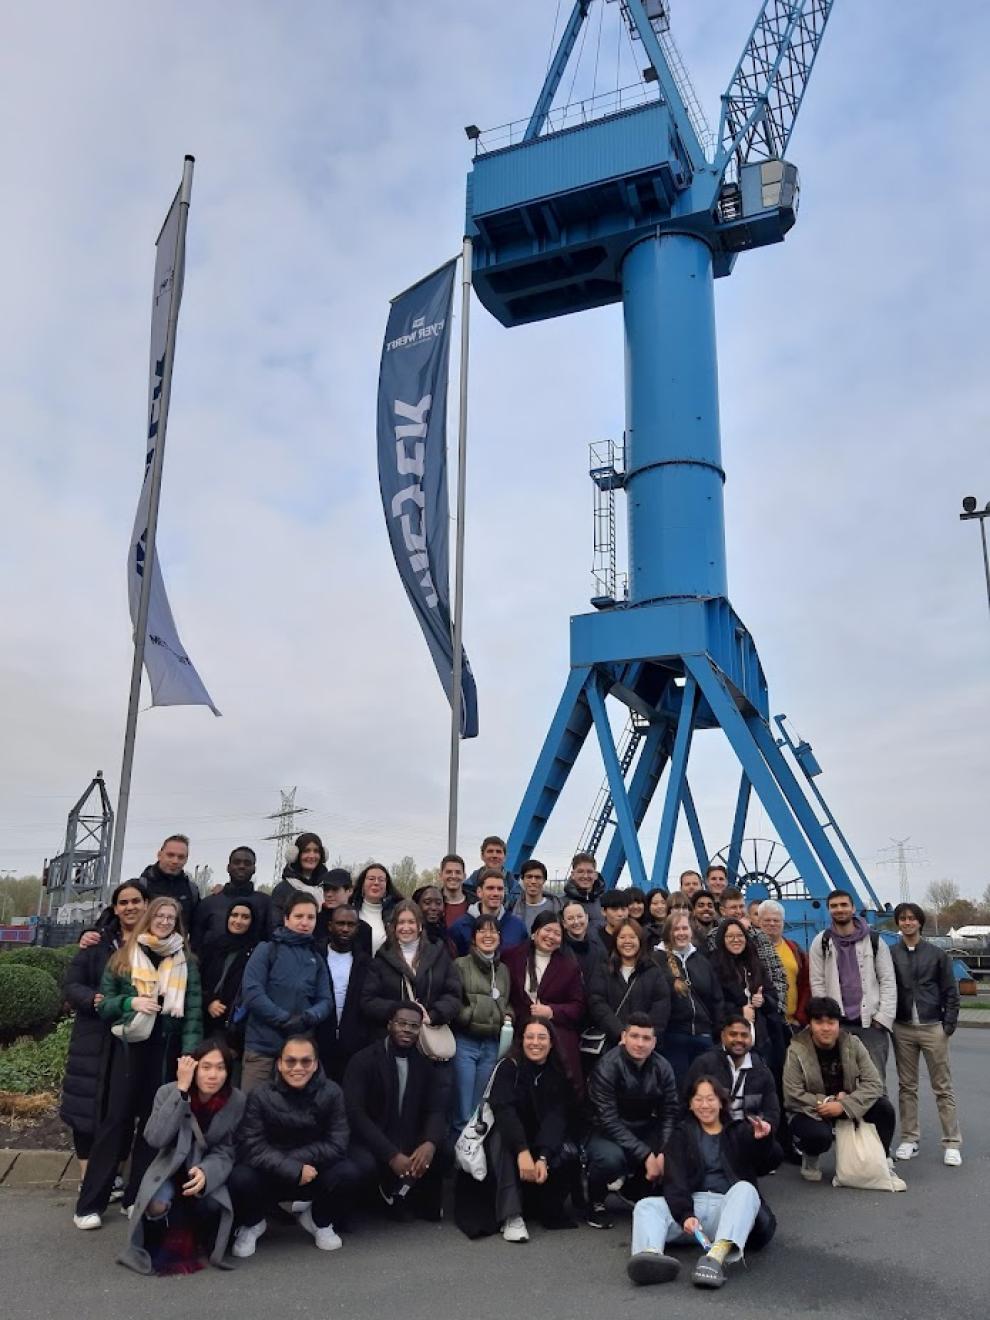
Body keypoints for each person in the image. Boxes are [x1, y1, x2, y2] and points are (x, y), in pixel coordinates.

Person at [74, 896, 203, 1227]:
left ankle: (136, 1197)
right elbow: (105, 1004)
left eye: (170, 917)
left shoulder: (185, 959)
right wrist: (132, 1001)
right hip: (129, 1048)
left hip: (164, 1049)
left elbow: (192, 1013)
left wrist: (188, 1052)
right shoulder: (125, 956)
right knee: (115, 1121)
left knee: (152, 1125)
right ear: (149, 918)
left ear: (177, 923)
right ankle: (90, 1204)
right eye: (158, 915)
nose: (163, 921)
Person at [627, 1076, 780, 1290]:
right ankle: (650, 1257)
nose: (705, 1105)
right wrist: (685, 1214)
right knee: (646, 1206)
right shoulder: (680, 1135)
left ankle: (716, 1257)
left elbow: (767, 1163)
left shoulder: (739, 1131)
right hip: (691, 1213)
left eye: (710, 1099)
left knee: (746, 1189)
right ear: (690, 1104)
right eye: (698, 1099)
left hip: (728, 1211)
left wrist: (764, 1140)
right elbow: (674, 1180)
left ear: (721, 1102)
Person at [118, 1039, 246, 1275]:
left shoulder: (235, 1100)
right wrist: (182, 1092)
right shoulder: (167, 1092)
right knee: (156, 1205)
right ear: (194, 1068)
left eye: (220, 1068)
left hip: (207, 1167)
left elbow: (228, 1148)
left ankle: (207, 1231)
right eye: (206, 1067)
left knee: (211, 1202)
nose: (213, 1075)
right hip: (170, 1167)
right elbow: (155, 1138)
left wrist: (207, 1172)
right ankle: (161, 1228)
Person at [229, 1034, 357, 1255]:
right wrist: (291, 1167)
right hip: (271, 1173)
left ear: (316, 1064)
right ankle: (253, 1223)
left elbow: (337, 1144)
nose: (298, 1067)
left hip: (312, 1171)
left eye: (306, 1061)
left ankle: (319, 1220)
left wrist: (298, 1162)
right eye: (290, 1061)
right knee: (240, 1176)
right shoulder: (260, 1095)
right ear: (279, 1063)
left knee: (348, 1171)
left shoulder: (333, 1092)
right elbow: (251, 1145)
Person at [460, 1018, 581, 1242]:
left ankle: (549, 1204)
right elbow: (504, 1111)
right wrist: (522, 1151)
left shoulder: (558, 1071)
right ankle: (511, 1216)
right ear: (521, 1040)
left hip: (538, 1140)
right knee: (504, 1141)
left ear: (552, 1042)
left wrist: (543, 1156)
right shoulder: (508, 1066)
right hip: (506, 1137)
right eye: (530, 1037)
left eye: (542, 1037)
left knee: (566, 1148)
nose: (535, 1043)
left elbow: (557, 1118)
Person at [61, 881, 149, 1185]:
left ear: (146, 904)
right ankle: (88, 1180)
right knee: (87, 1109)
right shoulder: (97, 942)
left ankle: (116, 1176)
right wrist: (91, 999)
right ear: (115, 907)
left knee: (123, 1109)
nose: (130, 907)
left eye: (136, 901)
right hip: (94, 1035)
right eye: (123, 902)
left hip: (133, 1038)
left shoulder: (155, 943)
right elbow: (72, 984)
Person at [344, 1004, 450, 1220]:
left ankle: (410, 1196)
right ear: (389, 1024)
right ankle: (373, 1199)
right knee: (363, 1165)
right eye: (401, 1023)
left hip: (408, 1138)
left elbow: (437, 1109)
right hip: (372, 1140)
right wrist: (391, 1154)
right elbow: (355, 1114)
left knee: (444, 1151)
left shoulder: (426, 1065)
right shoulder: (364, 1060)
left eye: (414, 1026)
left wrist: (429, 1143)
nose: (407, 1030)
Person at [783, 995, 896, 1182]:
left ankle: (881, 1157)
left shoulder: (853, 1043)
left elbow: (874, 1083)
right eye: (819, 1022)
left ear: (838, 1024)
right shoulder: (796, 1049)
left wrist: (844, 1105)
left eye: (831, 1022)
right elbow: (792, 1093)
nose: (826, 1028)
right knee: (817, 1135)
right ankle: (811, 1157)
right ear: (810, 1024)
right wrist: (827, 1102)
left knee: (884, 1108)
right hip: (813, 1109)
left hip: (847, 1104)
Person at [585, 1013, 679, 1229]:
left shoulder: (663, 1067)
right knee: (611, 1159)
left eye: (646, 1038)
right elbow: (608, 1119)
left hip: (643, 1126)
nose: (640, 1043)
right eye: (635, 1036)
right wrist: (646, 1155)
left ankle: (633, 1189)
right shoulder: (607, 1066)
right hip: (604, 1131)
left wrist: (663, 1151)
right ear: (623, 1037)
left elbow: (670, 1112)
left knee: (674, 1151)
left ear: (654, 1042)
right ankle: (595, 1201)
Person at [889, 902, 962, 1166]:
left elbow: (950, 991)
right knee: (906, 1086)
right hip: (903, 1027)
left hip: (933, 1026)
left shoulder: (937, 954)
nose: (907, 923)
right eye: (903, 919)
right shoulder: (890, 953)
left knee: (942, 1087)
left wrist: (948, 1026)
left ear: (920, 922)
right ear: (898, 923)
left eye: (912, 918)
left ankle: (952, 1142)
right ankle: (909, 1139)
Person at [239, 893, 331, 1092]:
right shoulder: (266, 950)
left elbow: (325, 1000)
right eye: (299, 916)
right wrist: (283, 1018)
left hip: (300, 1052)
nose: (305, 922)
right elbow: (253, 992)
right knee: (252, 1109)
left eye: (311, 917)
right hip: (262, 1048)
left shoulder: (317, 958)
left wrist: (308, 1017)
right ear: (286, 918)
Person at [808, 890, 896, 1082]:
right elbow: (817, 982)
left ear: (853, 908)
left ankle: (878, 1114)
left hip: (871, 1025)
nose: (839, 910)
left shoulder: (874, 941)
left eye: (843, 905)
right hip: (839, 1026)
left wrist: (882, 1018)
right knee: (840, 1083)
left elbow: (888, 980)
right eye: (834, 906)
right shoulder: (821, 942)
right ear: (829, 909)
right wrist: (826, 1019)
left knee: (875, 1084)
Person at [503, 912, 586, 1089]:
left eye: (557, 934)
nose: (551, 937)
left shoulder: (569, 966)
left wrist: (552, 1011)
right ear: (534, 933)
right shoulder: (511, 957)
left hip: (556, 1033)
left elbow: (578, 1006)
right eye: (547, 930)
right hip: (518, 1031)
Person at [361, 899, 461, 1040]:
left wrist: (433, 1015)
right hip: (391, 1038)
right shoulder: (380, 960)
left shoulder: (439, 955)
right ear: (394, 927)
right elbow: (368, 1000)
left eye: (411, 922)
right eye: (401, 922)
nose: (406, 927)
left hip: (429, 1037)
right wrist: (398, 1010)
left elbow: (453, 995)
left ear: (420, 926)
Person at [453, 915, 513, 1132]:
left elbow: (507, 1001)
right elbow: (454, 1001)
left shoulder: (504, 970)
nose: (488, 936)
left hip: (491, 1044)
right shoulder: (460, 964)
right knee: (461, 1107)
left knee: (479, 1106)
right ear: (473, 937)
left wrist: (507, 1015)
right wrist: (469, 1015)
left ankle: (473, 1156)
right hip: (466, 1042)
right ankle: (457, 1158)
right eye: (482, 931)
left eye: (493, 931)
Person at [657, 911, 724, 1085]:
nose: (681, 933)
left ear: (691, 931)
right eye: (676, 929)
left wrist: (717, 1029)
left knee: (707, 1089)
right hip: (674, 1037)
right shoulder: (656, 960)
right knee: (679, 1090)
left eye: (684, 928)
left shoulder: (701, 961)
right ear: (668, 933)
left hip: (704, 1036)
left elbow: (716, 998)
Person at [586, 918, 670, 1052]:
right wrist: (621, 1034)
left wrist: (641, 1037)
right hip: (612, 1044)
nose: (627, 941)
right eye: (622, 937)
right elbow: (597, 1004)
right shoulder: (603, 970)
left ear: (640, 940)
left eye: (632, 937)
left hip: (645, 1047)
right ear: (615, 941)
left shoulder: (653, 971)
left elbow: (661, 1007)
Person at [684, 1017, 780, 1130]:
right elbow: (686, 1103)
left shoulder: (762, 1071)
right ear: (723, 1037)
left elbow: (772, 1111)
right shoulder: (704, 1064)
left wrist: (765, 1127)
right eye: (733, 1034)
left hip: (749, 1133)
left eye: (744, 1035)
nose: (739, 1039)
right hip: (711, 1131)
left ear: (751, 1039)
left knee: (775, 1148)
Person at [315, 905, 373, 1083]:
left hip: (354, 1046)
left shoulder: (366, 963)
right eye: (340, 923)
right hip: (318, 1042)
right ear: (330, 925)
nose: (345, 929)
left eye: (351, 924)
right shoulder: (315, 956)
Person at [708, 918, 780, 1060]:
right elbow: (713, 1003)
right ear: (722, 939)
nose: (736, 940)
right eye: (730, 936)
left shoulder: (754, 962)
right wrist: (739, 1012)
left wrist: (763, 1000)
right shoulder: (713, 965)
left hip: (759, 1036)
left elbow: (773, 996)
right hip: (728, 1035)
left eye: (740, 935)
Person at [709, 888, 789, 1010]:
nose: (738, 911)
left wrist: (777, 1008)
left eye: (741, 907)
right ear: (722, 911)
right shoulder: (713, 937)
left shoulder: (760, 936)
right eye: (733, 907)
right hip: (732, 1011)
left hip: (765, 1009)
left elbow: (777, 973)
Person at [198, 901, 260, 1048]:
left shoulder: (258, 951)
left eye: (245, 917)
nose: (238, 921)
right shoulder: (212, 946)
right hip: (207, 1022)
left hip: (238, 1026)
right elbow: (198, 981)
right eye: (234, 915)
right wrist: (209, 1001)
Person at [192, 847, 272, 953]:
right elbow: (195, 943)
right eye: (237, 862)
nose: (241, 866)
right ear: (228, 867)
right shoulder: (208, 904)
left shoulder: (267, 903)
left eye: (247, 863)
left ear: (254, 869)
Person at [448, 869, 528, 957]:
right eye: (490, 888)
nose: (496, 893)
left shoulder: (518, 927)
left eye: (500, 889)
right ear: (479, 892)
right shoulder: (459, 927)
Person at [757, 899, 809, 1030]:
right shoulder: (752, 949)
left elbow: (805, 983)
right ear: (758, 922)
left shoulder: (794, 949)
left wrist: (800, 1017)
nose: (772, 924)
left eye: (776, 920)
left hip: (792, 1024)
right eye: (767, 920)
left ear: (782, 923)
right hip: (763, 1024)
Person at [139, 834, 199, 935]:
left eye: (181, 857)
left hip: (178, 948)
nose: (175, 861)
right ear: (159, 855)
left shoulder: (191, 890)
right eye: (170, 855)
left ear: (186, 859)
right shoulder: (141, 886)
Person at [270, 832, 331, 928]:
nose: (312, 856)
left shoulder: (328, 887)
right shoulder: (283, 889)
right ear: (295, 855)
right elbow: (275, 926)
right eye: (306, 851)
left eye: (316, 851)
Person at [315, 868, 372, 955]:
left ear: (349, 890)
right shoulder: (314, 922)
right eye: (326, 889)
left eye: (335, 889)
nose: (329, 894)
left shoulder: (363, 929)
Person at [351, 862, 401, 955]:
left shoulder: (396, 913)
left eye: (381, 880)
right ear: (362, 884)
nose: (376, 883)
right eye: (371, 879)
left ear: (387, 886)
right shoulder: (350, 911)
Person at [509, 858, 561, 931]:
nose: (533, 881)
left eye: (538, 877)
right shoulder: (512, 907)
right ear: (522, 879)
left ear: (544, 880)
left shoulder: (557, 907)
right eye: (529, 877)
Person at [561, 900, 605, 984]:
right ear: (564, 923)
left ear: (587, 918)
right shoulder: (559, 950)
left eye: (580, 916)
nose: (576, 922)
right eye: (570, 918)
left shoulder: (598, 947)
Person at [466, 835, 519, 904]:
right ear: (482, 856)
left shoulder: (513, 886)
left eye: (498, 852)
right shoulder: (469, 885)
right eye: (490, 851)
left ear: (505, 857)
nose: (494, 855)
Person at [561, 851, 605, 928]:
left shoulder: (605, 903)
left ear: (595, 875)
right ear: (573, 875)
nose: (585, 876)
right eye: (580, 871)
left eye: (589, 872)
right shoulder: (560, 904)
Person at [439, 853, 472, 927]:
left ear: (464, 876)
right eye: (449, 872)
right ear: (440, 876)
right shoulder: (432, 905)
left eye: (458, 872)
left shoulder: (476, 904)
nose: (453, 876)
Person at [596, 889, 631, 956]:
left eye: (623, 909)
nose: (620, 914)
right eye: (614, 909)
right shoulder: (596, 939)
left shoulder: (636, 936)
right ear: (603, 911)